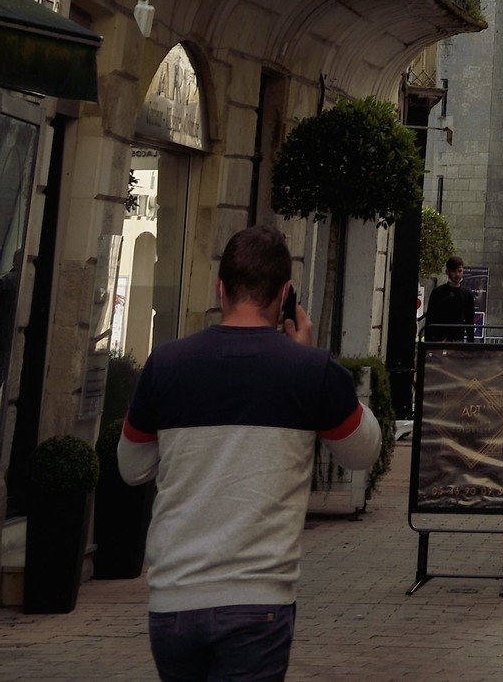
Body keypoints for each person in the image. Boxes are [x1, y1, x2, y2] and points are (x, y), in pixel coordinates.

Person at [118, 224, 381, 681]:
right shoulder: (310, 371)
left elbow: (131, 466)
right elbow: (363, 451)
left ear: (220, 288)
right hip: (257, 601)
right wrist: (308, 361)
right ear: (285, 294)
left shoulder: (166, 364)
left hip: (174, 601)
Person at [421, 256, 475, 340]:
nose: (457, 275)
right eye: (454, 271)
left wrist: (470, 343)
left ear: (463, 271)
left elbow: (470, 321)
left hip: (457, 340)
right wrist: (428, 342)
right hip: (439, 339)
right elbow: (430, 318)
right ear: (447, 272)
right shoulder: (437, 292)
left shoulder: (467, 294)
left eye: (459, 271)